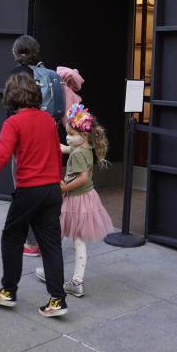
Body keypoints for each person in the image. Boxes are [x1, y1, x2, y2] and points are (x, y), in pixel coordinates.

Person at [0, 72, 68, 317]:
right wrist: (58, 180)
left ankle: (8, 291)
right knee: (51, 245)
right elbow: (54, 152)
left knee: (11, 237)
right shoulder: (48, 120)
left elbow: (1, 156)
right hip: (52, 189)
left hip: (29, 190)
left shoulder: (13, 123)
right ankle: (57, 300)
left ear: (10, 96)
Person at [36, 103, 114, 297]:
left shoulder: (79, 152)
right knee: (70, 238)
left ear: (83, 135)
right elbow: (68, 149)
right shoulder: (84, 148)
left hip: (74, 201)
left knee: (59, 236)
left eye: (70, 134)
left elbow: (82, 178)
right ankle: (71, 280)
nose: (67, 137)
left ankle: (55, 273)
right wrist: (59, 146)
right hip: (85, 200)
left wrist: (63, 187)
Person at [8, 35, 43, 258]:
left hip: (22, 140)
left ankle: (31, 242)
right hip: (44, 137)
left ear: (15, 52)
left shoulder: (15, 76)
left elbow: (9, 109)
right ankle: (44, 236)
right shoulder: (43, 74)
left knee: (23, 190)